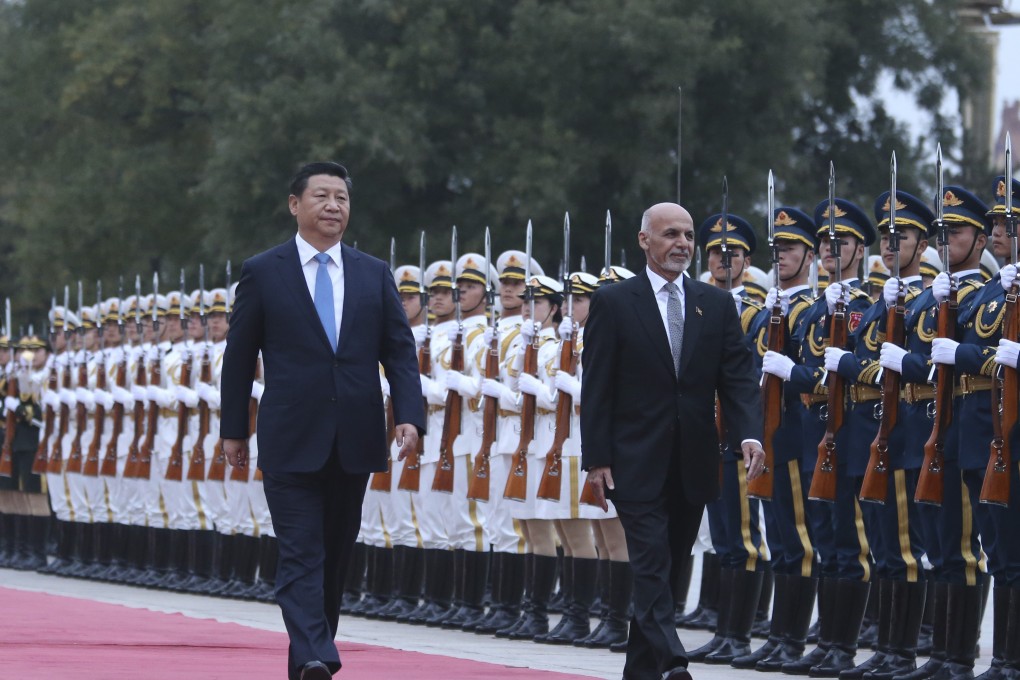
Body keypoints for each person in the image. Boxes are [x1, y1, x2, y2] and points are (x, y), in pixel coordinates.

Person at [219, 161, 425, 680]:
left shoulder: (374, 273)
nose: (334, 206)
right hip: (291, 434)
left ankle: (309, 656)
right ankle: (316, 655)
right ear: (295, 204)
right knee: (300, 550)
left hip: (355, 434)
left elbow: (399, 353)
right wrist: (232, 429)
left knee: (334, 554)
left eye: (342, 198)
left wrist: (409, 416)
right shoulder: (263, 271)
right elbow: (239, 358)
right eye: (323, 196)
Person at [580, 201, 766, 680]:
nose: (682, 243)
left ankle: (641, 672)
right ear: (645, 240)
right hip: (632, 460)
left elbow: (739, 378)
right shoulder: (615, 301)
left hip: (694, 461)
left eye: (687, 235)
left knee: (668, 569)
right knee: (649, 561)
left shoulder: (716, 303)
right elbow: (597, 385)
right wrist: (596, 458)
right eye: (670, 234)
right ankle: (673, 660)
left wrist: (749, 434)